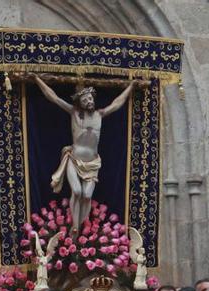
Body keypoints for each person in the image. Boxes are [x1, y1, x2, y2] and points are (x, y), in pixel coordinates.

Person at [33, 74, 137, 230]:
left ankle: (82, 227)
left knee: (87, 195)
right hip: (74, 159)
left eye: (90, 99)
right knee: (76, 191)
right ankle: (74, 227)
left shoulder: (99, 114)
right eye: (84, 100)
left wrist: (131, 87)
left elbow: (117, 103)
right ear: (79, 104)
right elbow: (53, 97)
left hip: (92, 163)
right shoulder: (74, 113)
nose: (89, 102)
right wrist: (36, 79)